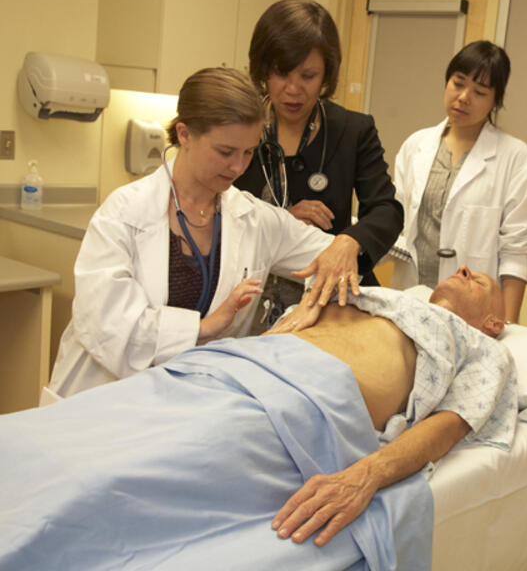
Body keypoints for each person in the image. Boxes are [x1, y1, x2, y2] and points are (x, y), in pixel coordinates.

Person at [1, 268, 515, 570]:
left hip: (298, 405)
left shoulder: (483, 349)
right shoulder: (378, 296)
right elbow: (292, 317)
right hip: (226, 368)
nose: (465, 270)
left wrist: (366, 475)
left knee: (99, 480)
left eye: (481, 276)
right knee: (60, 433)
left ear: (494, 322)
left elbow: (447, 426)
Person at [48, 67, 336, 398]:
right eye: (225, 152)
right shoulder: (124, 213)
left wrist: (323, 284)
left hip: (195, 401)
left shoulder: (253, 218)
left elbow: (334, 256)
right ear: (184, 134)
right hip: (106, 397)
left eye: (248, 152)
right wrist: (203, 327)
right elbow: (109, 326)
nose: (238, 167)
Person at [234, 0, 403, 324]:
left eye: (308, 75)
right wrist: (282, 221)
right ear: (262, 69)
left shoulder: (353, 130)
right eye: (281, 73)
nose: (293, 89)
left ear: (327, 74)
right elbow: (218, 210)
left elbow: (386, 211)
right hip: (249, 294)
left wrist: (349, 241)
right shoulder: (240, 127)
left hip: (330, 297)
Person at [389, 40, 527, 323]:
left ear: (496, 100)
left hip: (472, 314)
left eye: (480, 91)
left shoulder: (515, 157)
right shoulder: (416, 145)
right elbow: (394, 220)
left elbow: (517, 252)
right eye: (457, 83)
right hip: (410, 297)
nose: (463, 97)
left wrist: (508, 325)